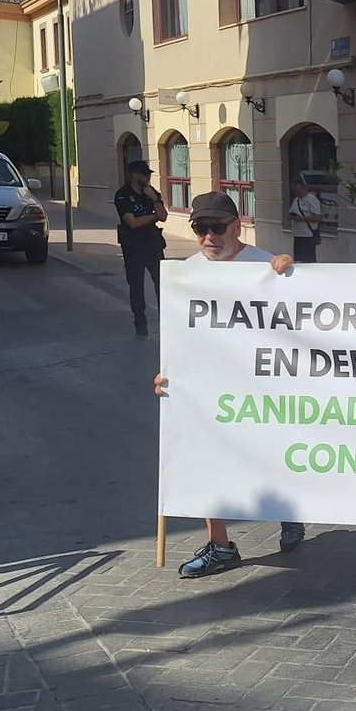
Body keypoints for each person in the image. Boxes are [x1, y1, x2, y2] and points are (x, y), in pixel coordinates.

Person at [153, 192, 303, 576]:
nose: (209, 237)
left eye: (218, 228)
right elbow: (178, 338)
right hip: (210, 389)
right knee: (206, 459)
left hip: (264, 387)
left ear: (237, 226)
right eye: (201, 228)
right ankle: (220, 545)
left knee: (272, 455)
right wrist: (166, 375)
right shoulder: (185, 274)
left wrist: (291, 270)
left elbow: (304, 315)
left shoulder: (265, 266)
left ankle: (290, 511)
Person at [114, 159, 168, 337]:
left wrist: (154, 199)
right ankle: (140, 323)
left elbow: (164, 216)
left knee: (162, 285)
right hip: (133, 247)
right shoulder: (122, 195)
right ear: (134, 175)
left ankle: (167, 322)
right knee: (136, 287)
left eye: (149, 174)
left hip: (153, 245)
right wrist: (153, 217)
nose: (148, 177)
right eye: (145, 174)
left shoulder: (151, 194)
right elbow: (133, 222)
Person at [287, 176, 323, 263]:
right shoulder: (296, 200)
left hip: (308, 235)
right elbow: (291, 212)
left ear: (303, 188)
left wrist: (302, 219)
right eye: (294, 191)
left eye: (298, 190)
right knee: (299, 261)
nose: (296, 193)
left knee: (308, 261)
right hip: (298, 234)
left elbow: (318, 217)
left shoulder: (311, 199)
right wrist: (292, 217)